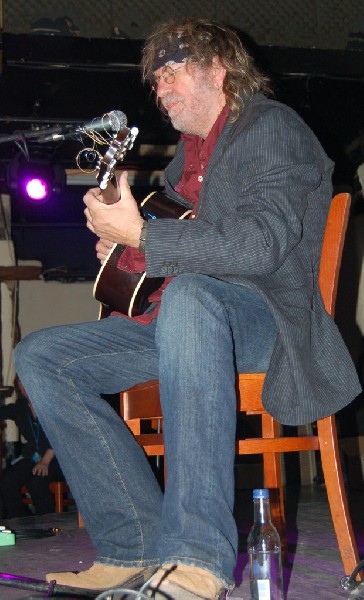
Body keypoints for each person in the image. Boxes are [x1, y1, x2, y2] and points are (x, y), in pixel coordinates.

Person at [13, 17, 361, 600]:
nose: (161, 89)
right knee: (41, 355)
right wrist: (124, 243)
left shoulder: (270, 128)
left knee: (195, 300)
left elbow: (259, 245)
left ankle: (199, 558)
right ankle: (132, 545)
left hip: (267, 320)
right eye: (154, 81)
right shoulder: (184, 162)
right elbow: (165, 251)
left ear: (218, 71)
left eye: (173, 72)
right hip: (181, 321)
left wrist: (143, 237)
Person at [0, 379, 64, 518]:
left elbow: (60, 435)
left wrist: (45, 460)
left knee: (36, 481)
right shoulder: (21, 407)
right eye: (22, 383)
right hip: (33, 456)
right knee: (7, 481)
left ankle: (48, 523)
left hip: (57, 458)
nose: (25, 386)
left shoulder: (53, 404)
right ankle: (20, 522)